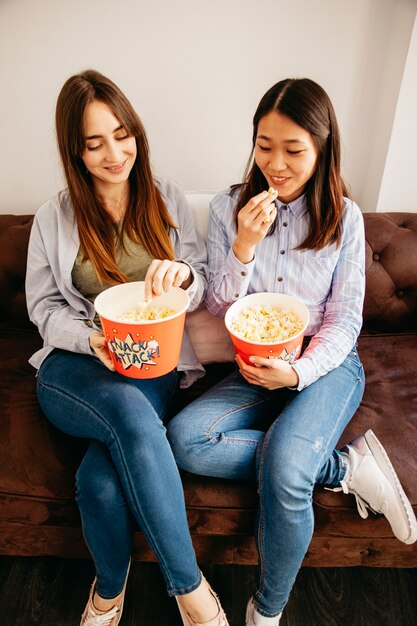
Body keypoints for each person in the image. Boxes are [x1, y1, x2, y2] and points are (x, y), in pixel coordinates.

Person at [167, 77, 417, 625]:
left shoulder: (345, 218)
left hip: (326, 365)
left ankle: (266, 612)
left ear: (322, 148)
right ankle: (344, 468)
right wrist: (243, 245)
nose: (275, 164)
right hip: (253, 362)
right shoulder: (232, 206)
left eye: (293, 150)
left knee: (285, 467)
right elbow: (217, 302)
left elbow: (345, 320)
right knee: (186, 439)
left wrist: (298, 373)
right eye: (264, 145)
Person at [26, 69, 229, 626]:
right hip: (76, 366)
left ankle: (108, 592)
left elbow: (202, 277)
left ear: (135, 131)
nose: (115, 153)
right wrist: (91, 339)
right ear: (75, 151)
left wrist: (182, 277)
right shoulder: (54, 217)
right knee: (132, 422)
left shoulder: (163, 196)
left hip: (152, 364)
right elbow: (43, 310)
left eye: (122, 134)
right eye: (95, 143)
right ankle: (191, 592)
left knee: (98, 480)